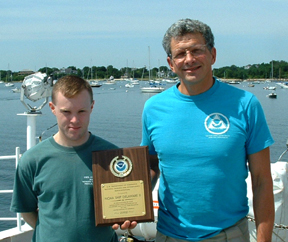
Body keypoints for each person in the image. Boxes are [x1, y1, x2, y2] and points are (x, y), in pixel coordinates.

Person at [141, 19, 275, 242]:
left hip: (228, 234)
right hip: (169, 235)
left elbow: (261, 180)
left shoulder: (246, 104)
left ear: (212, 55)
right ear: (171, 63)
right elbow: (152, 164)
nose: (189, 59)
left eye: (197, 50)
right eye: (181, 53)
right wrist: (131, 200)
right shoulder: (153, 108)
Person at [10, 75, 136, 242]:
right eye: (66, 112)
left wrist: (127, 218)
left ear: (92, 107)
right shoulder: (32, 160)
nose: (75, 120)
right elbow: (26, 210)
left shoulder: (114, 156)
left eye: (81, 111)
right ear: (52, 108)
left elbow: (125, 206)